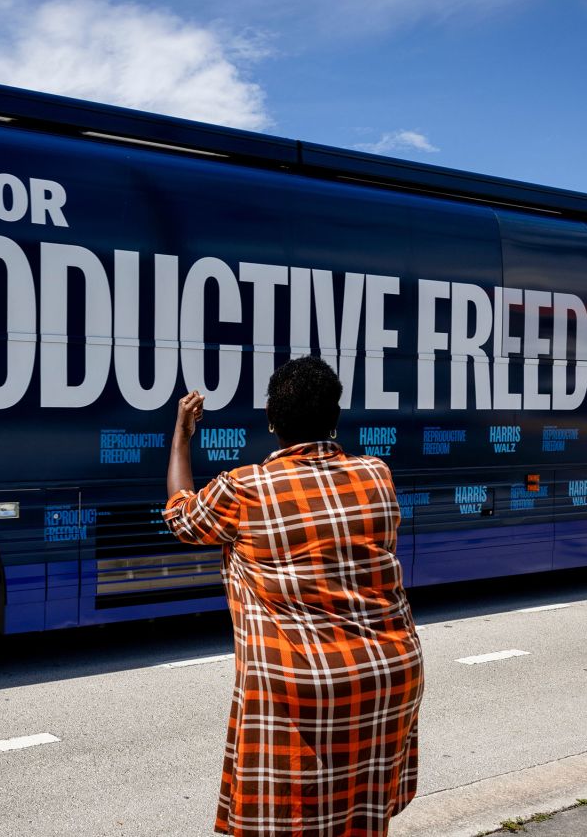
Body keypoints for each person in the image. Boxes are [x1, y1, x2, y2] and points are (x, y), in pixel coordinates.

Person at [163, 356, 424, 837]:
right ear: (335, 417)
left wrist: (182, 434)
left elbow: (181, 516)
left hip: (299, 687)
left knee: (289, 823)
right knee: (359, 821)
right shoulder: (377, 476)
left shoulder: (244, 489)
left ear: (270, 419)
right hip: (388, 677)